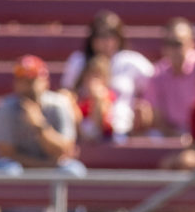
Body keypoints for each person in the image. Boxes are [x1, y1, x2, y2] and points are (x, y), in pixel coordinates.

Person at [59, 10, 155, 138]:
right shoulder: (78, 61)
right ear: (92, 38)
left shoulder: (131, 61)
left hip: (123, 129)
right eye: (100, 35)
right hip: (85, 131)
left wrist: (144, 107)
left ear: (119, 37)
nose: (106, 41)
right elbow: (67, 92)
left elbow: (156, 84)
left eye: (111, 34)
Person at [0, 54, 87, 177]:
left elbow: (65, 149)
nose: (28, 86)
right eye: (22, 80)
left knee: (73, 171)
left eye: (32, 80)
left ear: (45, 81)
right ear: (16, 83)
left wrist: (39, 125)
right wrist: (44, 166)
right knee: (8, 170)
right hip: (23, 166)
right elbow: (6, 153)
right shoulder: (7, 107)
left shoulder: (59, 104)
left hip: (54, 166)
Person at [146, 18, 195, 137]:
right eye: (169, 43)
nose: (173, 49)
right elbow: (157, 117)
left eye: (178, 43)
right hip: (172, 135)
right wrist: (177, 136)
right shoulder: (158, 74)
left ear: (192, 43)